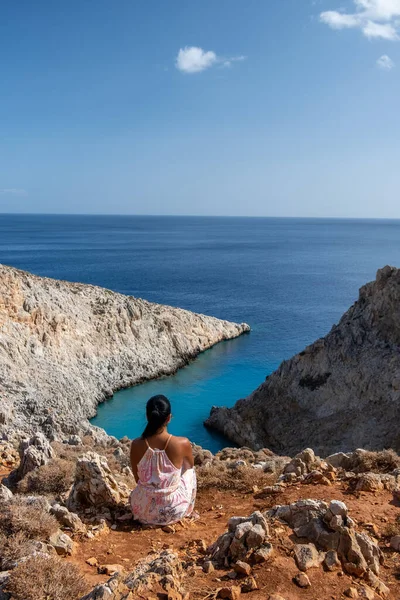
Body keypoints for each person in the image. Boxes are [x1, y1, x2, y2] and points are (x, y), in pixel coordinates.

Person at [129, 394, 197, 526]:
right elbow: (189, 467)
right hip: (173, 510)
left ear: (147, 416)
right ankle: (188, 509)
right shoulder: (182, 443)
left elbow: (137, 479)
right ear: (169, 418)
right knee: (189, 470)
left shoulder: (136, 444)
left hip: (141, 509)